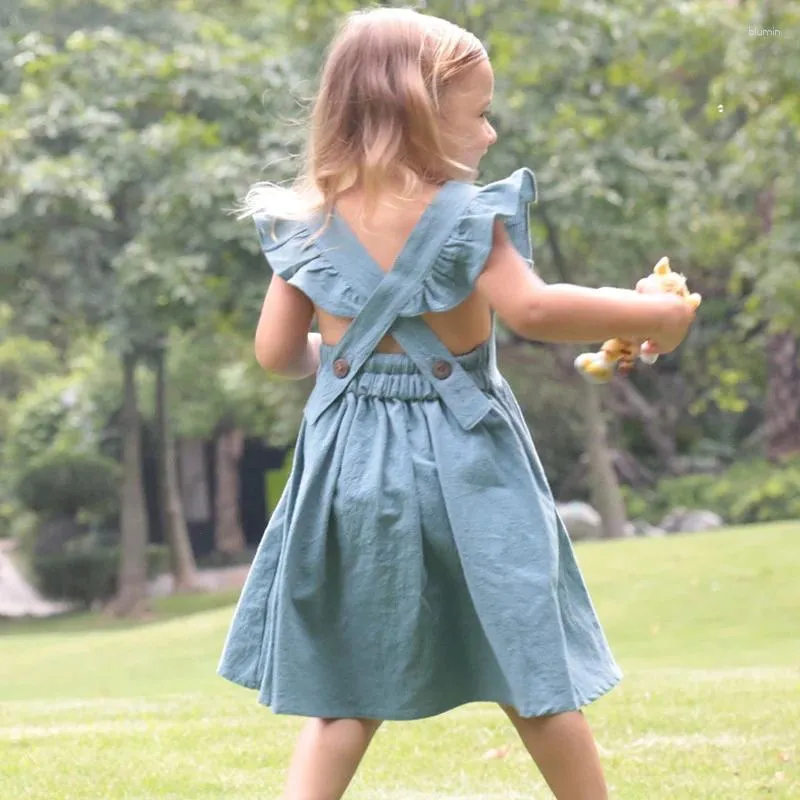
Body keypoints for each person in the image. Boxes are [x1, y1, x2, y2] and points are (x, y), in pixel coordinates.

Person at [217, 8, 696, 800]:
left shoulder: (305, 228)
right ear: (417, 115)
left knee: (341, 698)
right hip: (470, 461)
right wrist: (658, 315)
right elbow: (536, 311)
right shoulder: (474, 218)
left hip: (351, 472)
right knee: (532, 674)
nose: (492, 133)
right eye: (477, 113)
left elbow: (277, 357)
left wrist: (344, 358)